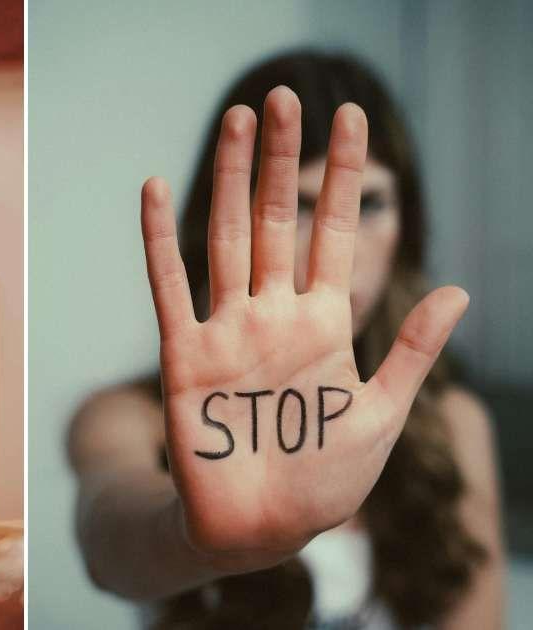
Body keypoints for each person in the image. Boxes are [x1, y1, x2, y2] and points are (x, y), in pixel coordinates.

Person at [69, 51, 504, 629]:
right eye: (299, 206)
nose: (337, 245)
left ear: (409, 223)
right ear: (229, 222)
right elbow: (110, 541)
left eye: (368, 203)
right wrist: (201, 540)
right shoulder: (131, 417)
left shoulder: (454, 427)